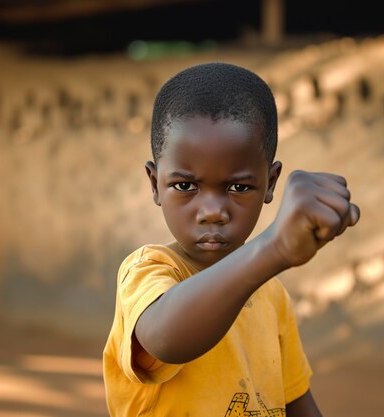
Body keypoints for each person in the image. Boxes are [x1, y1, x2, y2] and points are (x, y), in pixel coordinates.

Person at [103, 62, 359, 417]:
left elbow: (296, 402)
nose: (212, 211)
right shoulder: (148, 271)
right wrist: (274, 248)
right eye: (185, 186)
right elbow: (165, 338)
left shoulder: (271, 296)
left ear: (270, 184)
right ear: (154, 183)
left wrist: (271, 256)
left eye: (238, 187)